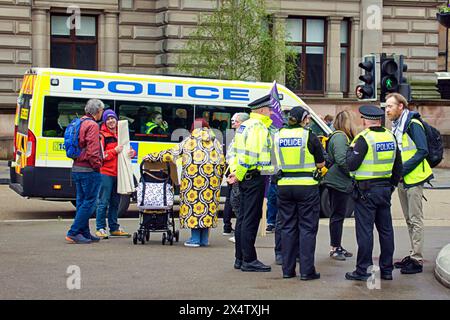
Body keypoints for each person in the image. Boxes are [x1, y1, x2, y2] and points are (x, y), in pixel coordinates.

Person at [144, 118, 225, 247]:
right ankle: (204, 239)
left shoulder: (189, 141)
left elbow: (170, 154)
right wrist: (217, 181)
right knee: (206, 209)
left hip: (192, 183)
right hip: (211, 183)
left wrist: (150, 156)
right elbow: (222, 163)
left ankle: (195, 239)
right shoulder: (216, 143)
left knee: (195, 208)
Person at [345, 105, 403, 281]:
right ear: (379, 120)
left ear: (365, 120)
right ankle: (386, 270)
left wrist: (349, 151)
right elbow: (398, 166)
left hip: (366, 191)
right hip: (384, 189)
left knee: (365, 232)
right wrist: (391, 186)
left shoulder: (364, 138)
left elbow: (351, 164)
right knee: (386, 231)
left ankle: (363, 270)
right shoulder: (390, 136)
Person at [274, 106, 325, 280]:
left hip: (284, 186)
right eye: (308, 118)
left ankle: (287, 271)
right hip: (307, 187)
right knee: (307, 228)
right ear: (303, 119)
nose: (309, 121)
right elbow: (320, 163)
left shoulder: (278, 135)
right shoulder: (308, 135)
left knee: (287, 227)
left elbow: (274, 162)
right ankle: (306, 271)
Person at [386, 93, 433, 274]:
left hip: (413, 178)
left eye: (390, 106)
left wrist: (402, 171)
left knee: (415, 219)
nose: (387, 110)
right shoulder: (397, 126)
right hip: (403, 179)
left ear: (401, 107)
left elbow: (422, 151)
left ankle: (417, 259)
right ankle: (413, 254)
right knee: (408, 219)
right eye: (386, 107)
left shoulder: (413, 124)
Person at [227, 94, 274, 272]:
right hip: (253, 176)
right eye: (269, 109)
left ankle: (240, 258)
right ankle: (249, 260)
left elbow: (235, 153)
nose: (271, 112)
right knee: (251, 220)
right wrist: (239, 174)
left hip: (245, 176)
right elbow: (250, 155)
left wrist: (235, 172)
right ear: (262, 110)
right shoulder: (258, 127)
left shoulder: (245, 126)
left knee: (242, 219)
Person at [65, 99, 104, 244]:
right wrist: (97, 164)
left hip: (76, 167)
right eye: (102, 110)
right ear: (98, 111)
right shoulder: (92, 125)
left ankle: (85, 232)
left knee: (82, 201)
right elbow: (93, 149)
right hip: (89, 169)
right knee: (89, 202)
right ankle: (73, 232)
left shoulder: (79, 121)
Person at [95, 109, 135, 239]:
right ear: (105, 122)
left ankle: (114, 227)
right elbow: (100, 156)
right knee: (103, 201)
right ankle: (100, 228)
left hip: (119, 173)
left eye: (113, 118)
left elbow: (127, 150)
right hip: (106, 173)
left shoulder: (122, 135)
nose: (111, 121)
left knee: (115, 202)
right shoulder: (101, 136)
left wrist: (132, 153)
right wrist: (114, 151)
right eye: (108, 119)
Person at [322, 110, 356, 261]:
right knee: (337, 215)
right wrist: (352, 174)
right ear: (346, 122)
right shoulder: (341, 137)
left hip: (336, 180)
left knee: (338, 215)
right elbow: (342, 160)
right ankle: (335, 248)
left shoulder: (337, 136)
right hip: (338, 181)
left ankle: (337, 246)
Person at [224, 113, 250, 240]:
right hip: (235, 174)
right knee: (235, 203)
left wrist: (237, 173)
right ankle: (238, 233)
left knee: (239, 205)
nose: (233, 123)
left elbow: (245, 157)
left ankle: (240, 235)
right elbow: (230, 155)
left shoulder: (244, 135)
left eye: (236, 121)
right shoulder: (237, 136)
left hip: (241, 175)